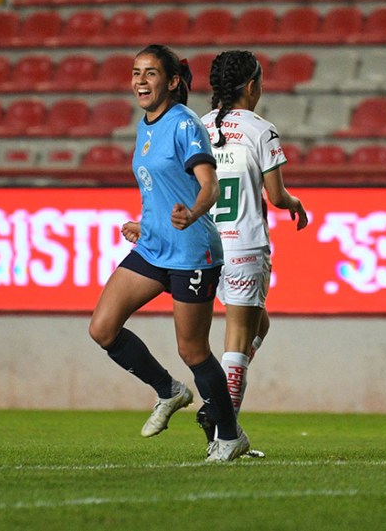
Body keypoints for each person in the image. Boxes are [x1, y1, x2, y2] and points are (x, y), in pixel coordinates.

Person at [89, 44, 249, 462]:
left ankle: (230, 436)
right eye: (135, 72)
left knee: (193, 351)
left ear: (172, 81)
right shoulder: (146, 125)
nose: (140, 81)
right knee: (103, 328)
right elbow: (162, 190)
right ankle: (170, 391)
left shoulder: (183, 125)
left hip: (191, 251)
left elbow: (208, 187)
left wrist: (191, 213)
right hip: (155, 246)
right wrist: (148, 224)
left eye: (150, 73)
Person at [197, 50, 309, 455]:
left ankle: (221, 406)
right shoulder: (262, 130)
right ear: (251, 86)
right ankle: (224, 435)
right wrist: (294, 202)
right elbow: (276, 197)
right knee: (238, 341)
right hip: (244, 244)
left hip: (206, 247)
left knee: (258, 327)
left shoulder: (199, 127)